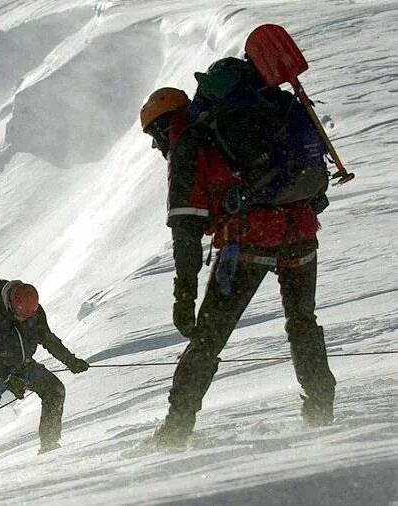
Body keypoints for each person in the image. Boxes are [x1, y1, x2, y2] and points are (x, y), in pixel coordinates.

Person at [139, 82, 336, 447]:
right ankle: (321, 408)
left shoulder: (189, 144)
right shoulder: (253, 116)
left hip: (248, 244)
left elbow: (186, 229)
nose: (155, 145)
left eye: (154, 134)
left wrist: (184, 296)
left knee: (207, 340)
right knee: (303, 322)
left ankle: (176, 430)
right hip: (300, 233)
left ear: (165, 124)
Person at [0, 280, 90, 482]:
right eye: (20, 316)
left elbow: (46, 337)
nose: (23, 320)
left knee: (54, 391)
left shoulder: (34, 311)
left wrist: (70, 360)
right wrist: (7, 379)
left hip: (22, 364)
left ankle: (50, 447)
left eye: (27, 317)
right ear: (11, 305)